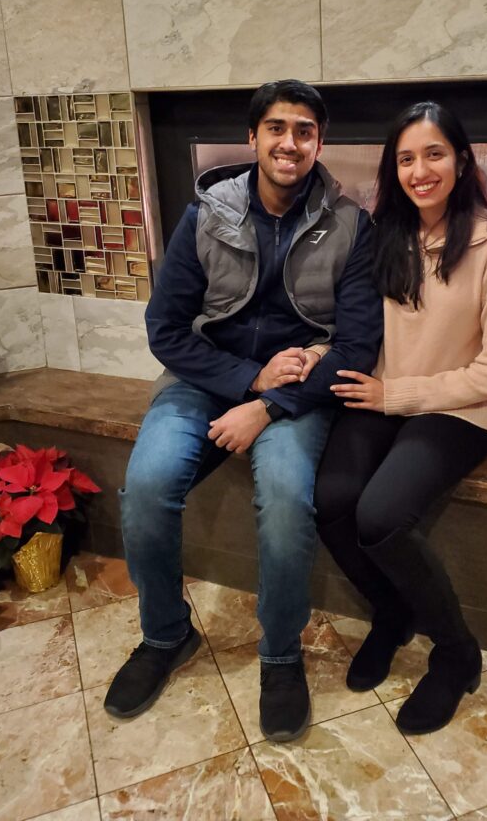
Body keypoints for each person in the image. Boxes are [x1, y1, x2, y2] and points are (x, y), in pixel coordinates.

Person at [104, 79, 382, 742]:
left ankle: (280, 653)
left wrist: (269, 402)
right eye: (278, 128)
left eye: (306, 130)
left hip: (296, 392)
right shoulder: (206, 215)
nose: (291, 143)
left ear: (320, 142)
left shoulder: (351, 224)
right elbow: (166, 330)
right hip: (205, 377)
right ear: (254, 136)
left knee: (287, 500)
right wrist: (245, 377)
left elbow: (359, 346)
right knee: (145, 486)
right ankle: (166, 634)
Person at [315, 101, 487, 735]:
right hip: (388, 393)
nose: (420, 170)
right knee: (330, 499)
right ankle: (390, 612)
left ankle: (457, 652)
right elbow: (361, 328)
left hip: (460, 409)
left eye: (433, 154)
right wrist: (320, 354)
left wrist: (398, 396)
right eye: (405, 159)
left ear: (460, 161)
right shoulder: (385, 236)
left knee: (380, 516)